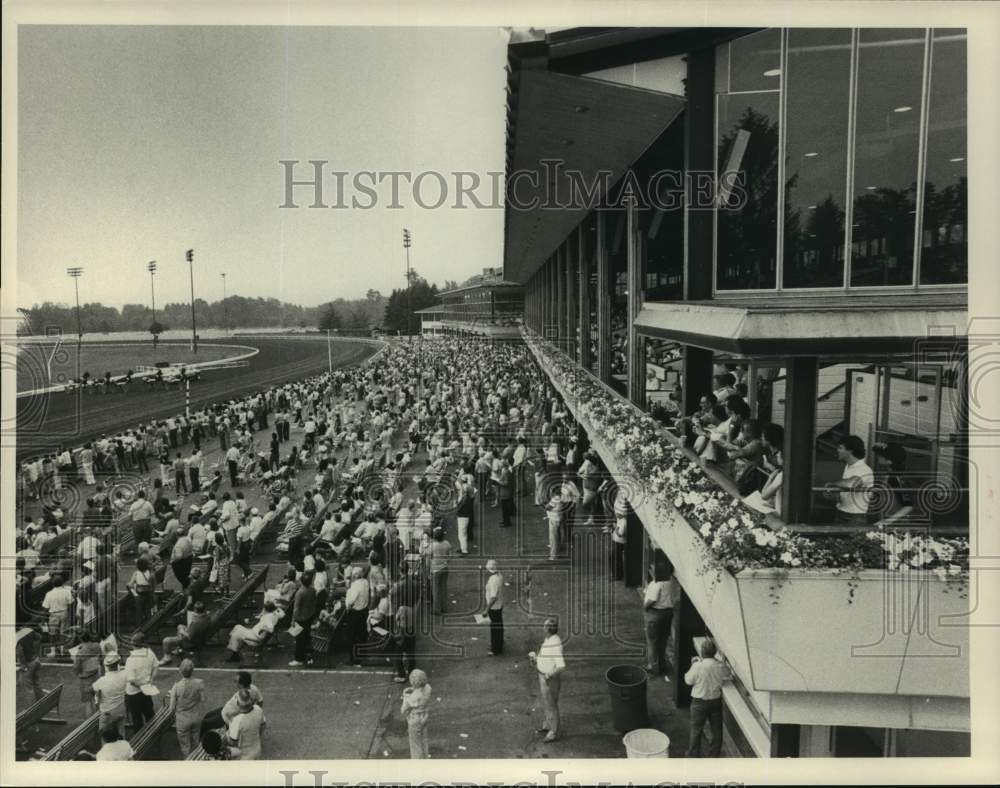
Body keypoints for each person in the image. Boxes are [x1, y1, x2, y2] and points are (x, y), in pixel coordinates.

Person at [684, 638, 731, 757]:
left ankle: (693, 755)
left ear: (702, 652)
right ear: (714, 653)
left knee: (696, 729)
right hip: (715, 702)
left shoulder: (698, 666)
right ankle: (713, 755)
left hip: (699, 703)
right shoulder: (719, 666)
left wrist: (694, 664)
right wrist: (720, 661)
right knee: (717, 730)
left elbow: (688, 681)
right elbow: (727, 673)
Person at [825, 435, 875, 525]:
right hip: (841, 512)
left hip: (856, 517)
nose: (837, 450)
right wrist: (833, 495)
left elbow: (852, 484)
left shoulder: (864, 469)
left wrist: (832, 484)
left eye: (840, 448)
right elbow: (846, 492)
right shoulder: (848, 466)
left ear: (850, 451)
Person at [529, 618, 565, 743]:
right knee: (547, 703)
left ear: (548, 629)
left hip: (549, 680)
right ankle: (549, 725)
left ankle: (555, 732)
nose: (543, 627)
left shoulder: (555, 644)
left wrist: (548, 675)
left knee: (551, 705)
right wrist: (536, 660)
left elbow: (561, 666)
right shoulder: (549, 639)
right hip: (543, 676)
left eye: (544, 626)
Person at [200, 671, 264, 736]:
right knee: (208, 715)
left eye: (236, 681)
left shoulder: (242, 698)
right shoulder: (253, 688)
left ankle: (200, 743)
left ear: (241, 684)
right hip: (224, 710)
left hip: (224, 718)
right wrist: (257, 712)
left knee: (203, 724)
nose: (235, 683)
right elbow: (260, 700)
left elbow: (238, 713)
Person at [643, 565, 679, 678]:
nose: (652, 570)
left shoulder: (657, 583)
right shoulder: (673, 581)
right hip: (668, 612)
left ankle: (653, 667)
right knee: (663, 639)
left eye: (654, 569)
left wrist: (645, 607)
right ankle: (662, 664)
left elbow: (652, 599)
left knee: (652, 641)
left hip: (655, 613)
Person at [167, 659, 205, 757]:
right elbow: (202, 699)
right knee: (195, 741)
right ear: (193, 670)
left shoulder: (176, 686)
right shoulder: (199, 683)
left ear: (180, 671)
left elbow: (171, 708)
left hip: (182, 719)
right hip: (196, 716)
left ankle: (187, 761)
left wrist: (173, 696)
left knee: (185, 746)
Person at [123, 633, 159, 731]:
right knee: (149, 714)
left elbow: (131, 681)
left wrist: (142, 686)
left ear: (133, 644)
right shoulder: (149, 652)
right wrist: (150, 681)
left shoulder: (130, 660)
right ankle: (153, 735)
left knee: (136, 718)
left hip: (134, 693)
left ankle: (139, 740)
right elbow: (156, 666)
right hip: (147, 690)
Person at [159, 601, 213, 665]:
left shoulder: (196, 623)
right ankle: (178, 648)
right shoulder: (207, 617)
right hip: (200, 638)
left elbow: (189, 636)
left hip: (190, 642)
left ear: (195, 610)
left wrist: (182, 632)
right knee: (180, 626)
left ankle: (167, 658)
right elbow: (207, 613)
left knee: (166, 641)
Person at [92, 653, 128, 738]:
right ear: (118, 663)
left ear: (106, 666)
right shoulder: (124, 675)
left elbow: (95, 693)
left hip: (107, 713)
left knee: (105, 737)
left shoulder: (101, 681)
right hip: (120, 709)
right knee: (121, 734)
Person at [400, 668, 432, 759]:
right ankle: (425, 757)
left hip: (415, 720)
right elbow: (421, 689)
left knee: (415, 744)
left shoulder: (413, 698)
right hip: (424, 716)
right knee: (423, 740)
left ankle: (418, 762)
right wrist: (414, 688)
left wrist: (405, 696)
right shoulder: (428, 688)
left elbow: (403, 710)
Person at [225, 689, 266, 760]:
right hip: (257, 749)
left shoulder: (237, 720)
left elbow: (233, 742)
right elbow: (263, 725)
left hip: (244, 755)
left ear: (238, 703)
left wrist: (228, 733)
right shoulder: (258, 709)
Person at [289, 570, 317, 667]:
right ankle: (309, 650)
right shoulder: (312, 590)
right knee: (306, 634)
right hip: (309, 615)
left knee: (299, 639)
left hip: (301, 618)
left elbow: (296, 608)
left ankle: (299, 659)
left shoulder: (300, 593)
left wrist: (293, 620)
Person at [344, 566, 370, 665]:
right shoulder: (365, 582)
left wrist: (347, 606)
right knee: (362, 634)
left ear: (354, 576)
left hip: (355, 612)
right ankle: (363, 654)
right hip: (364, 611)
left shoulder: (355, 585)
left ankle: (354, 659)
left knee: (352, 636)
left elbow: (351, 601)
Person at [41, 575, 73, 656]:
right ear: (62, 583)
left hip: (53, 614)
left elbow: (45, 608)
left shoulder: (49, 593)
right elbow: (70, 604)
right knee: (63, 632)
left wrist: (43, 620)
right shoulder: (67, 591)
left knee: (52, 634)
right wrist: (69, 614)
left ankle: (53, 651)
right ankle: (62, 650)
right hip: (64, 613)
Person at [74, 631, 103, 716]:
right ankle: (100, 719)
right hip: (96, 675)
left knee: (88, 703)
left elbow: (76, 668)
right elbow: (101, 659)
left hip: (85, 679)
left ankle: (90, 724)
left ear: (81, 639)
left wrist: (78, 673)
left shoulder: (80, 652)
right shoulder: (97, 646)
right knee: (98, 700)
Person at [483, 559, 504, 656]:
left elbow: (493, 597)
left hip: (494, 608)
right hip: (499, 604)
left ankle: (495, 649)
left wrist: (486, 610)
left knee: (494, 628)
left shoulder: (493, 580)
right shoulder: (499, 575)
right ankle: (499, 644)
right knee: (499, 626)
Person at [16, 627, 44, 701]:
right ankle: (42, 703)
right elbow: (39, 637)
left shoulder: (17, 637)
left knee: (27, 687)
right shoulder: (28, 631)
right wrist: (35, 648)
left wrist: (23, 665)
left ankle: (32, 709)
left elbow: (20, 653)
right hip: (36, 660)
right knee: (36, 684)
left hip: (29, 663)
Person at [429, 527, 452, 615]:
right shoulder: (447, 543)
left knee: (436, 590)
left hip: (435, 569)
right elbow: (450, 556)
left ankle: (437, 610)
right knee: (443, 588)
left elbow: (428, 556)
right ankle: (444, 608)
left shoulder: (433, 546)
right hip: (445, 568)